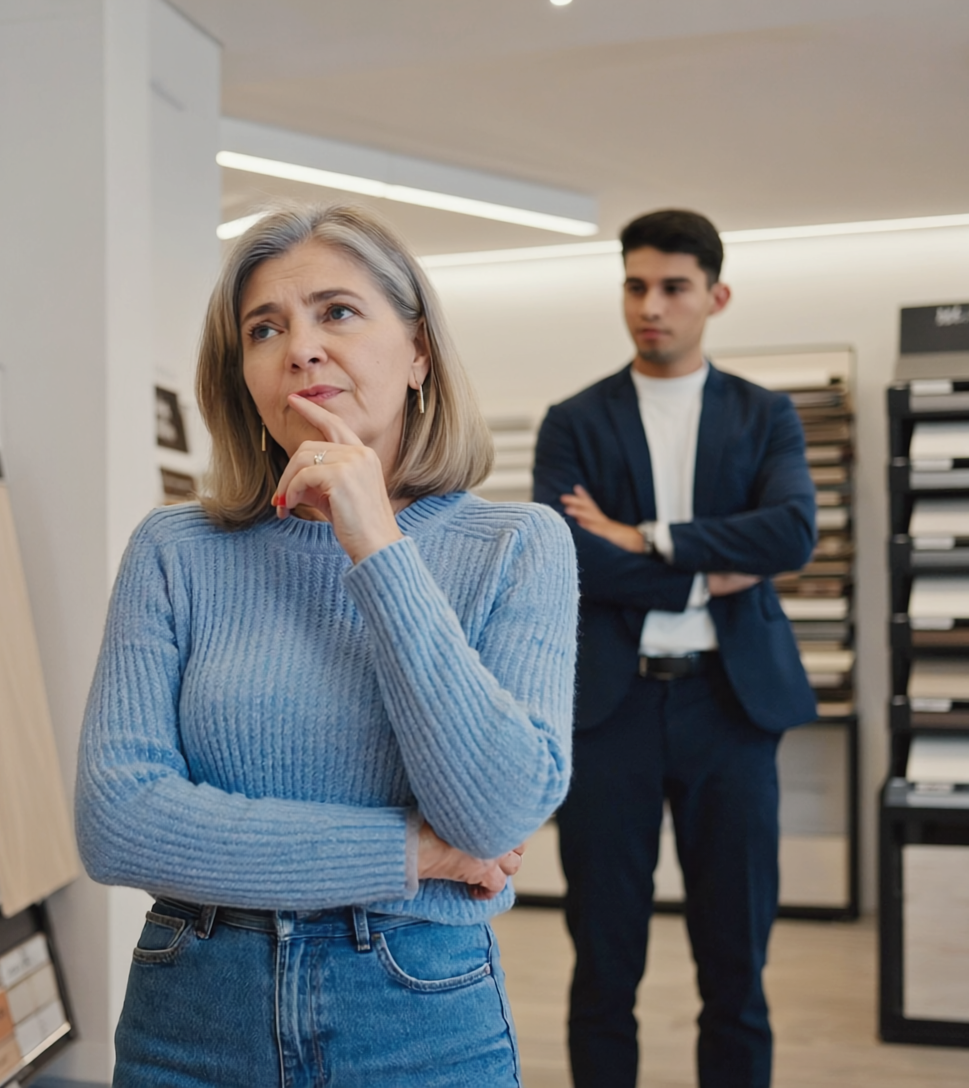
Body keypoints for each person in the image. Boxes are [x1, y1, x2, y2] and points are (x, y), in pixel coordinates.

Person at [76, 202, 578, 1087]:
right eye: (265, 328)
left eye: (337, 312)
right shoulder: (176, 550)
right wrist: (413, 853)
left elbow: (494, 814)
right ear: (244, 377)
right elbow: (119, 823)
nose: (300, 347)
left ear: (418, 351)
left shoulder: (519, 544)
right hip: (191, 1011)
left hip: (417, 1015)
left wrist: (378, 545)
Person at [532, 208, 816, 1088]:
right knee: (604, 963)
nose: (649, 305)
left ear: (715, 296)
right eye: (634, 285)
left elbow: (791, 533)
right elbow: (567, 558)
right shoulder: (574, 421)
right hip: (609, 714)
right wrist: (704, 569)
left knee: (737, 967)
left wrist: (643, 537)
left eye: (672, 287)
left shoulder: (765, 416)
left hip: (730, 708)